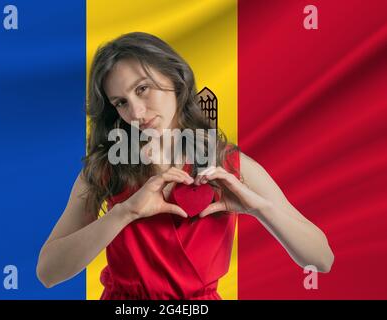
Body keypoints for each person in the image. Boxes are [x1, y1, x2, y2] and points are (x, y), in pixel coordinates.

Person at [36, 32, 334, 299]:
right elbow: (48, 272)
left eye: (142, 89)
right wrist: (124, 213)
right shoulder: (106, 169)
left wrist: (260, 209)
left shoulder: (229, 164)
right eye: (121, 102)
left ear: (175, 78)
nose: (136, 112)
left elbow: (322, 259)